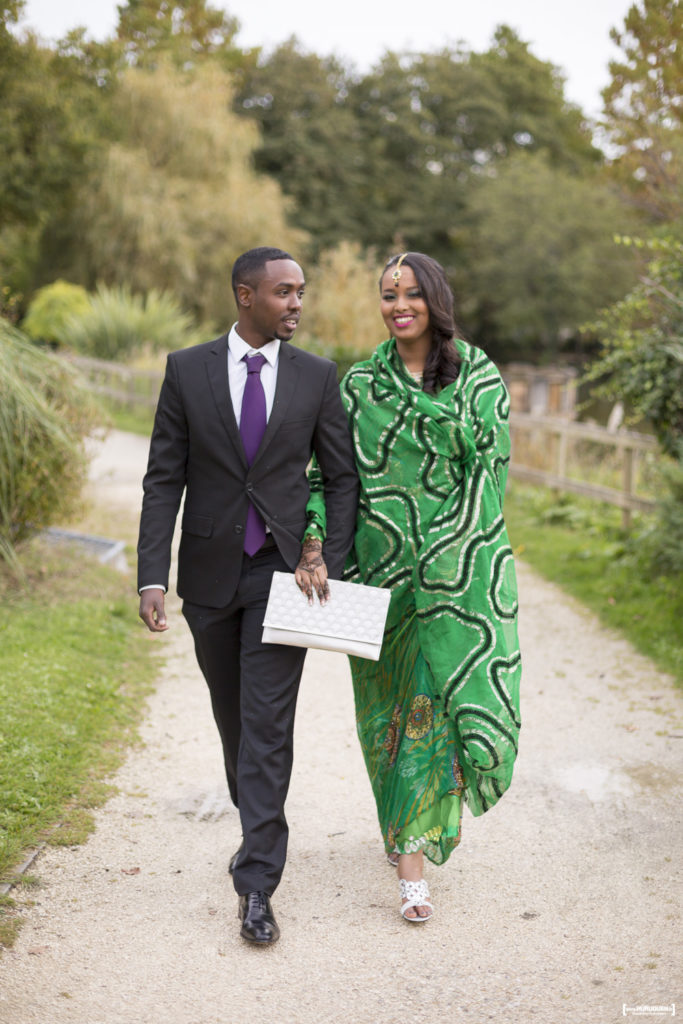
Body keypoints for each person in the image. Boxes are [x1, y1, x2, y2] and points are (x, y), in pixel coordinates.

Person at [137, 247, 358, 945]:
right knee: (233, 719)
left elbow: (342, 477)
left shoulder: (318, 377)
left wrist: (331, 560)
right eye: (283, 292)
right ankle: (253, 823)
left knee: (266, 726)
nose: (296, 303)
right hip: (206, 577)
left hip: (283, 579)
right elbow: (162, 477)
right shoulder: (186, 370)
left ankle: (258, 881)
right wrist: (151, 574)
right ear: (245, 295)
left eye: (300, 292)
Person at [312, 251, 521, 922]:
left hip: (451, 589)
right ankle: (404, 824)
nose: (397, 305)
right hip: (379, 584)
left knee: (428, 715)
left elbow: (492, 481)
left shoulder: (476, 376)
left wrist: (450, 553)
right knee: (385, 722)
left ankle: (410, 869)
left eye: (409, 293)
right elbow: (330, 475)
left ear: (434, 299)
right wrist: (315, 544)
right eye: (386, 294)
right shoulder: (361, 384)